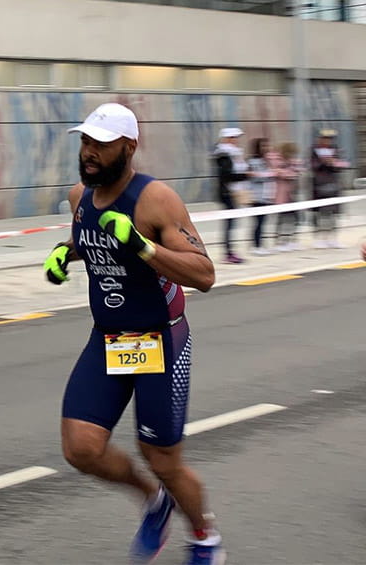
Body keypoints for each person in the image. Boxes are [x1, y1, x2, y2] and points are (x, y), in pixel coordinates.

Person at [44, 103, 224, 565]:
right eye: (84, 143)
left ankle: (204, 537)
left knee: (161, 457)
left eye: (100, 146)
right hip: (110, 339)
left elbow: (204, 274)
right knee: (80, 449)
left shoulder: (156, 199)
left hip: (160, 340)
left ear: (128, 147)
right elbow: (94, 240)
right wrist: (66, 254)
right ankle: (154, 501)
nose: (88, 154)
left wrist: (144, 246)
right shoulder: (78, 198)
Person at [212, 128, 248, 264]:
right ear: (227, 139)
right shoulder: (223, 155)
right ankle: (227, 252)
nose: (236, 141)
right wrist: (246, 175)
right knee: (229, 223)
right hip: (228, 192)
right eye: (233, 138)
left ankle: (229, 251)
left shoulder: (233, 154)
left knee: (231, 223)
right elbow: (227, 176)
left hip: (233, 191)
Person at [310, 129, 349, 248]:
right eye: (325, 138)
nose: (328, 141)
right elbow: (313, 166)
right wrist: (324, 162)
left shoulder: (335, 150)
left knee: (333, 213)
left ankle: (333, 238)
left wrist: (335, 163)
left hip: (333, 185)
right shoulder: (314, 150)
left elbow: (341, 165)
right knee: (320, 213)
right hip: (319, 186)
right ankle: (319, 238)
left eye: (330, 139)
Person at [247, 138, 277, 255]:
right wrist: (269, 174)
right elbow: (254, 176)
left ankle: (261, 244)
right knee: (258, 222)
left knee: (264, 222)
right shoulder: (253, 161)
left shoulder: (266, 161)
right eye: (263, 146)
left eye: (267, 146)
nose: (266, 149)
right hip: (256, 196)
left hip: (266, 194)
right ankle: (256, 245)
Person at [272, 142, 303, 252]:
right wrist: (290, 172)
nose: (292, 155)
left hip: (292, 194)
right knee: (282, 219)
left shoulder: (292, 162)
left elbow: (298, 170)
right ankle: (280, 241)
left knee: (296, 218)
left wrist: (292, 170)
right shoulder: (277, 160)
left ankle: (291, 239)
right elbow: (282, 173)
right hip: (281, 195)